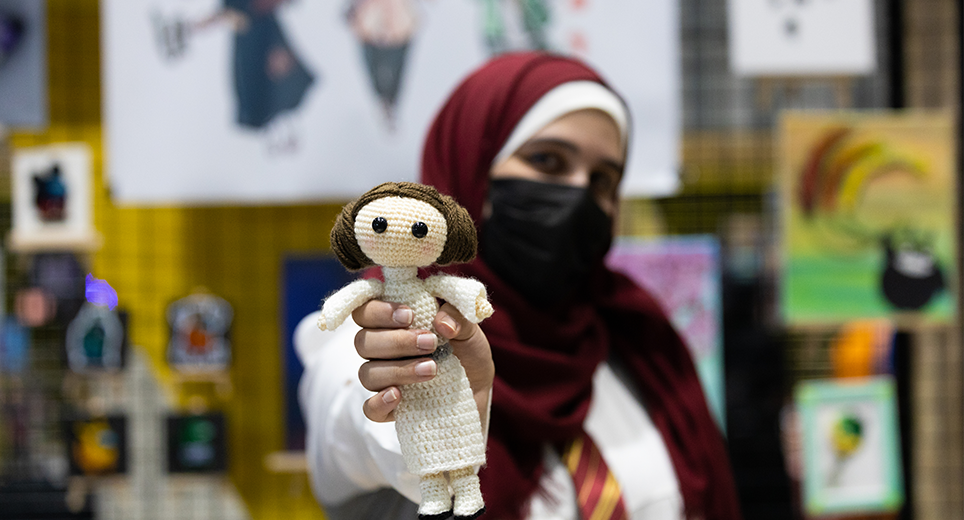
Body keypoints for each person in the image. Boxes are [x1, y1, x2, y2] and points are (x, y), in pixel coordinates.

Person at [296, 52, 742, 520]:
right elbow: (351, 415)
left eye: (603, 180)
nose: (578, 194)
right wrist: (419, 394)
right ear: (472, 163)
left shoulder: (642, 343)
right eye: (547, 160)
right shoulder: (379, 336)